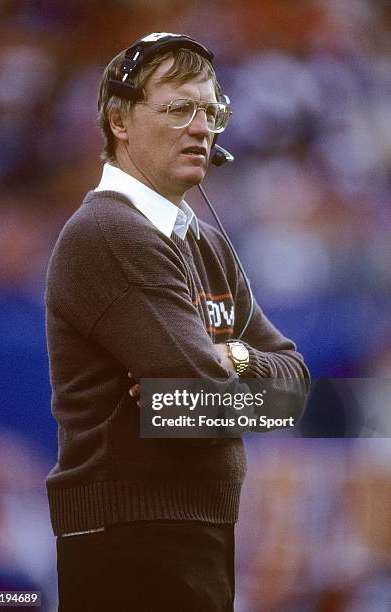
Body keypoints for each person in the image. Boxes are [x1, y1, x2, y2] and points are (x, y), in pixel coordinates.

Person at [45, 32, 309, 611]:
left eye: (212, 111)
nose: (202, 127)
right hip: (130, 540)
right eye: (178, 108)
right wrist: (210, 390)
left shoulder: (206, 241)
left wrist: (234, 360)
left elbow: (293, 394)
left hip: (193, 533)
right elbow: (199, 401)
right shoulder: (111, 233)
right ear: (119, 120)